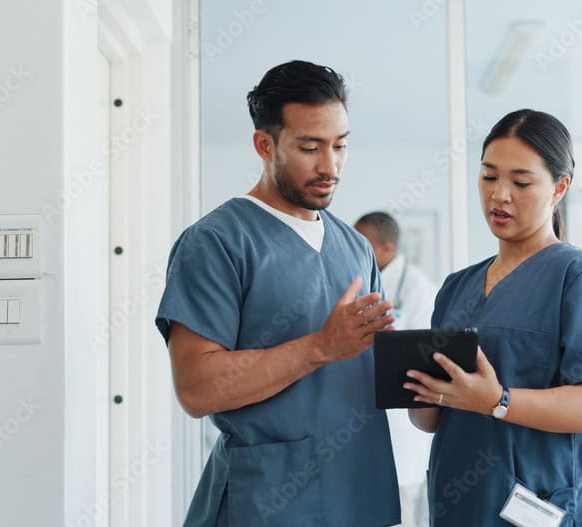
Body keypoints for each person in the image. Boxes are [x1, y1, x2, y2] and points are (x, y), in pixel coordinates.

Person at [155, 60, 401, 527]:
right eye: (309, 147)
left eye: (340, 146)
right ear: (264, 145)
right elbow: (196, 387)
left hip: (359, 493)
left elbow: (369, 370)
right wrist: (319, 347)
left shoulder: (355, 248)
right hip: (269, 503)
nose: (330, 165)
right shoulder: (217, 243)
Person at [405, 109, 582, 526]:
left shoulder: (581, 278)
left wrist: (499, 402)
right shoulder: (456, 287)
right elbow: (430, 419)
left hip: (537, 509)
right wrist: (417, 387)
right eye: (488, 176)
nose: (499, 194)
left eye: (520, 182)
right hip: (458, 505)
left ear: (559, 188)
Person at [354, 211, 439, 527]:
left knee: (400, 516)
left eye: (364, 243)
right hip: (360, 426)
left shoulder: (419, 291)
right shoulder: (359, 284)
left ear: (387, 248)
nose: (355, 248)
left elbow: (418, 361)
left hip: (402, 432)